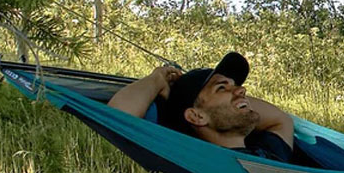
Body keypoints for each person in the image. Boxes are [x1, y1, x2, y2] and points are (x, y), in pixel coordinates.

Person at [107, 52, 298, 163]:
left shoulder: (270, 152)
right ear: (196, 116)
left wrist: (234, 98)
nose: (241, 90)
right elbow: (116, 119)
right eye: (222, 87)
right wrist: (157, 79)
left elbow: (279, 119)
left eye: (236, 86)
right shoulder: (192, 161)